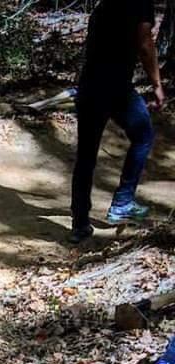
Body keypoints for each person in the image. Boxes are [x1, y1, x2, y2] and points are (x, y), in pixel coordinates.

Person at [70, 0, 164, 243]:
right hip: (116, 89)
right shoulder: (140, 5)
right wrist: (156, 84)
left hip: (89, 86)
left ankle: (79, 224)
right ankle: (122, 202)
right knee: (143, 136)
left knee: (86, 157)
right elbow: (145, 44)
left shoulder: (104, 5)